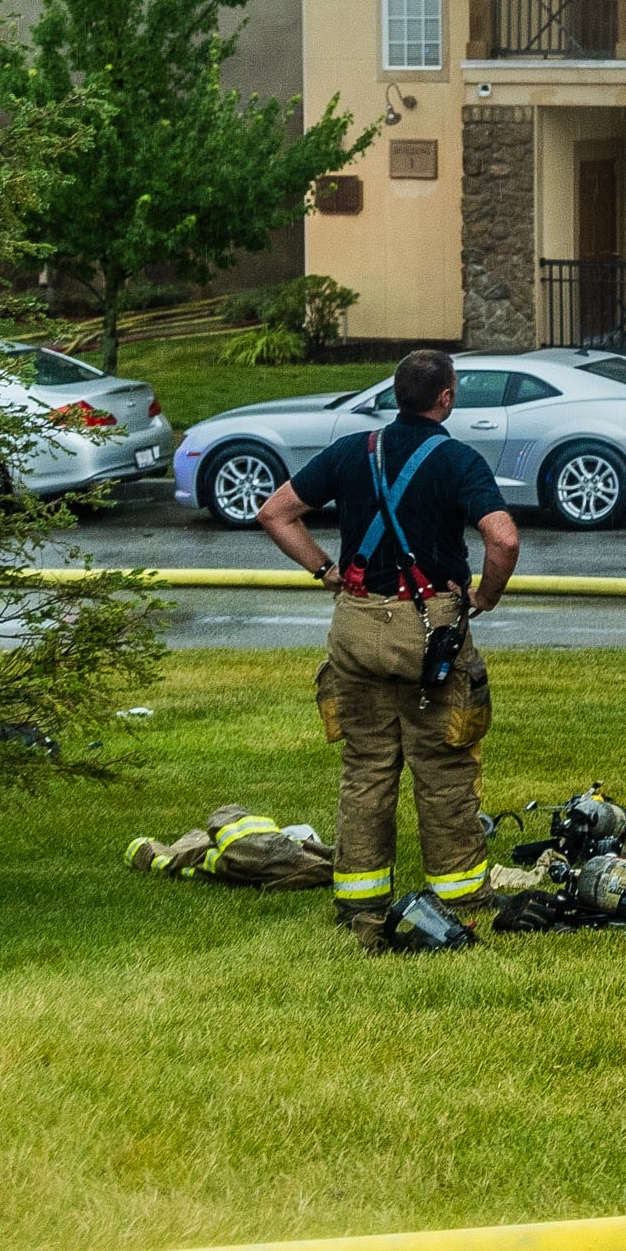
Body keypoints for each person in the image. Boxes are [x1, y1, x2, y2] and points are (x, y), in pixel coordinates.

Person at [253, 348, 517, 942]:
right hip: (430, 639)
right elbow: (503, 540)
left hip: (356, 630)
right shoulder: (458, 460)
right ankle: (461, 892)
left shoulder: (352, 451)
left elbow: (275, 513)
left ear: (397, 396)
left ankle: (360, 903)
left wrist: (325, 570)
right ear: (445, 398)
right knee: (443, 768)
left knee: (367, 768)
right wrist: (486, 597)